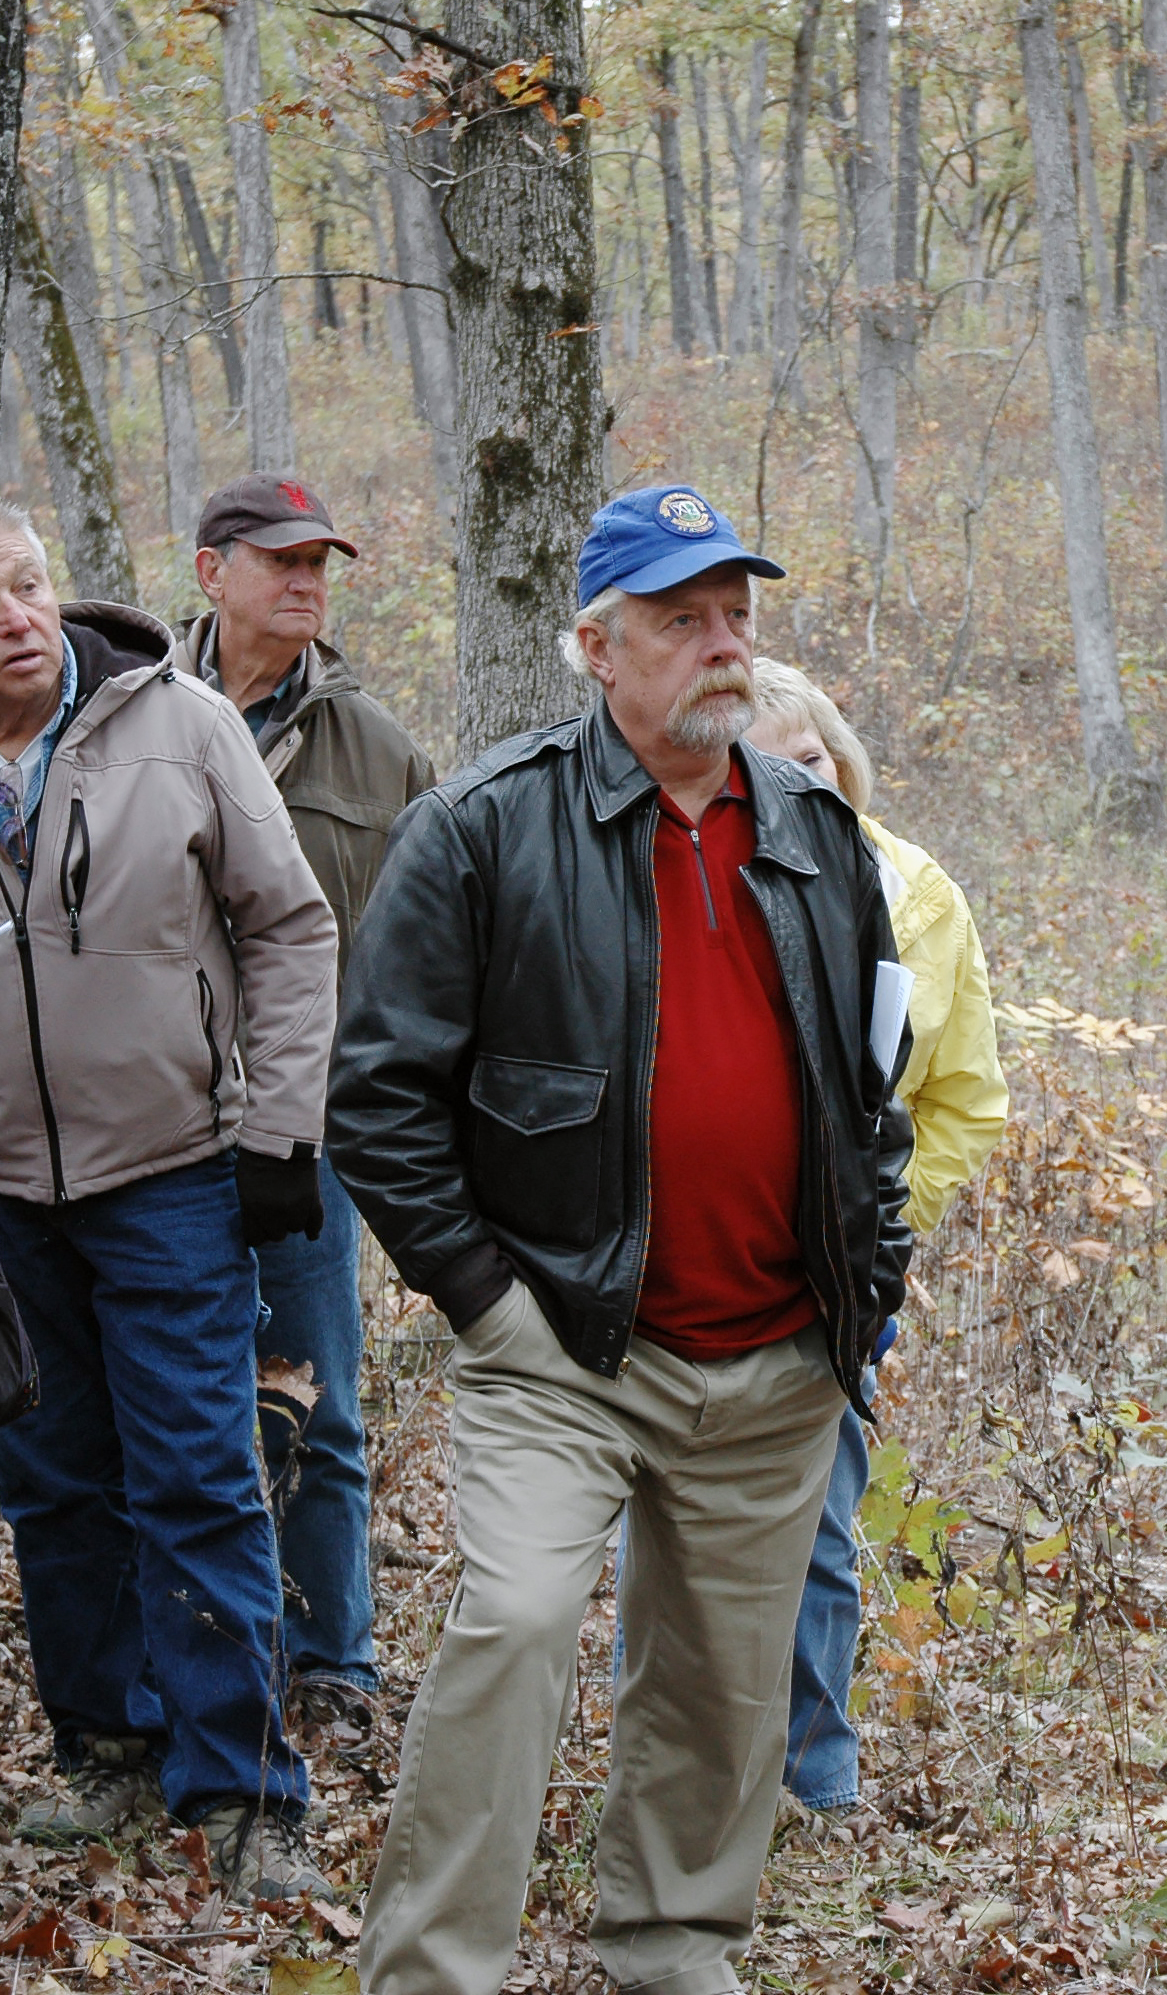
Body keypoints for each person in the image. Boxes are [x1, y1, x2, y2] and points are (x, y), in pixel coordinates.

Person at [330, 485, 913, 1995]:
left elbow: (873, 1083)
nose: (720, 647)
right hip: (560, 1346)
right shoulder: (481, 828)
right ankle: (432, 1967)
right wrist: (489, 1305)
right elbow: (378, 1102)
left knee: (724, 1682)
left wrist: (864, 1287)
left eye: (737, 617)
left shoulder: (818, 832)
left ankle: (670, 1944)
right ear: (596, 645)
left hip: (774, 1352)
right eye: (680, 619)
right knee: (516, 1623)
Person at [0, 489, 341, 1902]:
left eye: (32, 584)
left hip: (170, 1168)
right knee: (51, 1481)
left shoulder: (179, 725)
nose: (19, 617)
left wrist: (280, 1128)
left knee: (200, 1473)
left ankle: (242, 1789)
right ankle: (105, 1743)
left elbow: (289, 925)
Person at [169, 474, 437, 1729]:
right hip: (147, 1131)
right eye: (279, 559)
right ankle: (178, 1660)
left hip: (307, 1134)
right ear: (212, 571)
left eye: (321, 559)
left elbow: (428, 946)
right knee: (167, 1405)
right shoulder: (122, 714)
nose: (307, 579)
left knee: (314, 1399)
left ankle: (335, 1662)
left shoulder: (378, 751)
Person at [742, 659, 1006, 1814]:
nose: (793, 779)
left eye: (807, 755)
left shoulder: (919, 892)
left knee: (818, 1524)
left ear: (838, 756)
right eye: (762, 762)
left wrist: (890, 1230)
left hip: (843, 1269)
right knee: (666, 1540)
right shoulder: (685, 874)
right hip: (696, 1260)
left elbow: (963, 1097)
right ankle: (686, 1774)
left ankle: (816, 1775)